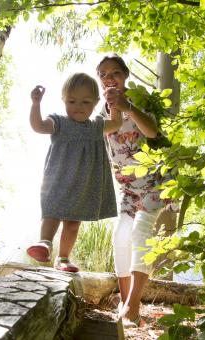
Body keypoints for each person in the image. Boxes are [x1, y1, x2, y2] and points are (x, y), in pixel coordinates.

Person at [96, 54, 177, 326]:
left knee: (141, 232)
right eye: (104, 74)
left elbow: (152, 131)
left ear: (125, 75)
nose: (110, 79)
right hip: (128, 188)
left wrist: (127, 106)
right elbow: (104, 140)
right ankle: (124, 301)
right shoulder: (100, 112)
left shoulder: (140, 101)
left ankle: (133, 306)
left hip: (155, 180)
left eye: (115, 73)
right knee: (120, 236)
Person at [26, 73, 122, 273]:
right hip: (58, 180)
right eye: (72, 101)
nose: (78, 106)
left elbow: (116, 123)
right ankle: (44, 243)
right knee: (52, 213)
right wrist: (36, 104)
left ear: (96, 102)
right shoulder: (59, 122)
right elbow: (38, 126)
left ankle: (63, 258)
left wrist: (114, 104)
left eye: (86, 101)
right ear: (63, 101)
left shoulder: (97, 125)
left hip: (83, 185)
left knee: (72, 224)